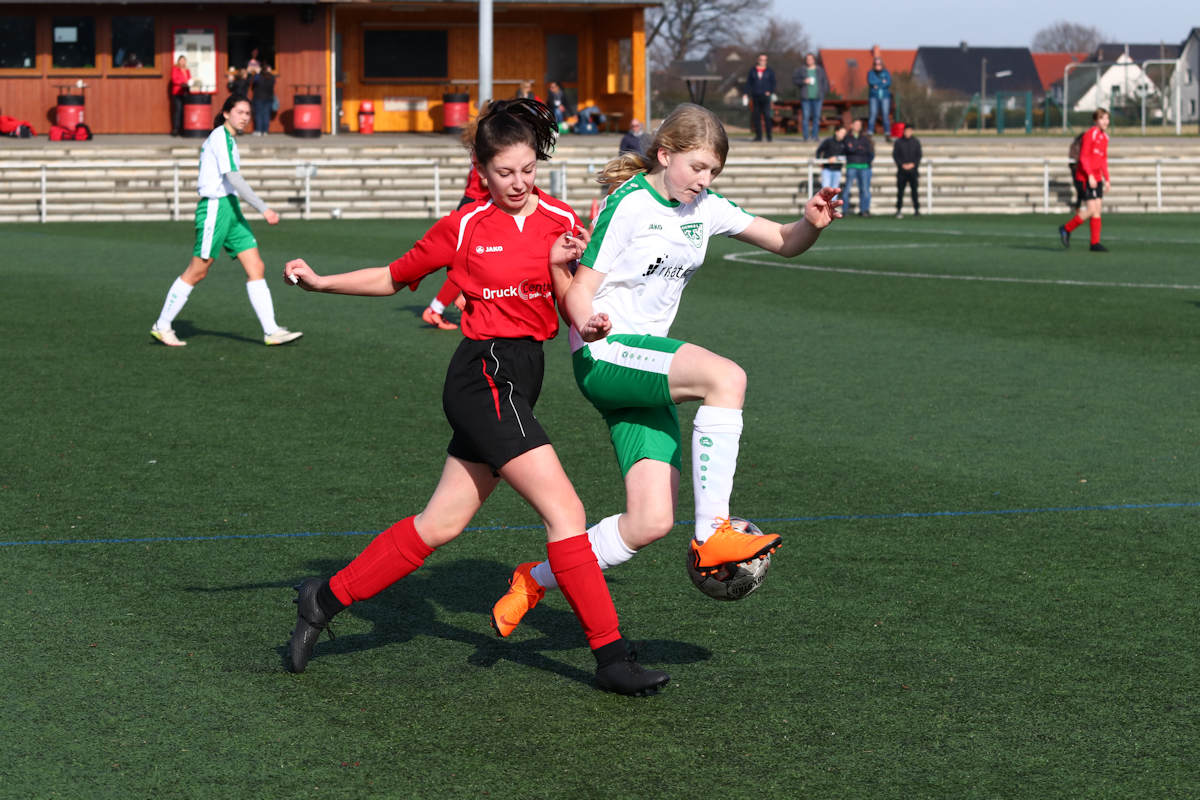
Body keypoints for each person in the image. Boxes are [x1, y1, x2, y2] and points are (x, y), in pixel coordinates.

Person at [282, 98, 669, 697]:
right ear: (481, 170)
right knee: (565, 514)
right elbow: (392, 276)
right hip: (482, 375)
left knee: (440, 524)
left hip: (524, 375)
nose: (518, 183)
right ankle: (612, 657)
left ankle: (323, 597)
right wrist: (321, 281)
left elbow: (572, 299)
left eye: (528, 169)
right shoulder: (463, 227)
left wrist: (589, 321)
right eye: (505, 172)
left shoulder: (562, 221)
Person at [490, 103, 843, 640]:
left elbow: (785, 242)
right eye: (697, 167)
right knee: (727, 378)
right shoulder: (629, 204)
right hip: (606, 354)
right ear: (665, 154)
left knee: (650, 521)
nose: (704, 181)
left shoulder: (706, 207)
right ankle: (713, 533)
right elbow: (581, 287)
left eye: (713, 173)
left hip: (645, 364)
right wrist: (587, 325)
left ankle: (534, 580)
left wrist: (811, 224)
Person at [149, 95, 302, 347]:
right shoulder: (220, 136)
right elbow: (233, 177)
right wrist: (263, 208)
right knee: (198, 270)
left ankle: (271, 330)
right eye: (240, 112)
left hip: (230, 208)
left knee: (256, 267)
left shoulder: (228, 139)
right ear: (226, 113)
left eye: (248, 114)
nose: (244, 117)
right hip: (215, 208)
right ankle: (162, 325)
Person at [421, 160, 490, 331]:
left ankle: (457, 300)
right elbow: (484, 180)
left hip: (476, 205)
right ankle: (436, 309)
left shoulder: (485, 140)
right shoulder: (489, 142)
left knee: (477, 261)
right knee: (469, 263)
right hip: (476, 205)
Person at [1058, 108, 1110, 252]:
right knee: (1091, 209)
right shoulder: (1090, 134)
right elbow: (1083, 157)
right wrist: (1090, 175)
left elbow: (1103, 159)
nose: (1106, 121)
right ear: (1096, 121)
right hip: (1086, 177)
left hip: (1097, 178)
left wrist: (1107, 178)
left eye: (1107, 118)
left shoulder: (1105, 137)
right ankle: (1066, 229)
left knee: (1097, 210)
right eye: (1102, 118)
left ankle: (1094, 243)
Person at [792, 53, 828, 142]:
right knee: (806, 117)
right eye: (807, 59)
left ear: (814, 60)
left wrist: (823, 92)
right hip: (806, 97)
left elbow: (825, 82)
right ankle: (806, 137)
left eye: (810, 59)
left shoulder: (820, 70)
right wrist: (803, 81)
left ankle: (815, 136)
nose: (809, 60)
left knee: (816, 117)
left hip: (818, 97)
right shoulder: (801, 70)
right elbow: (795, 80)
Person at [843, 117, 874, 216]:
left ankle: (864, 210)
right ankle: (845, 210)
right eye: (855, 124)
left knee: (865, 189)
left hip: (864, 166)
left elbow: (868, 151)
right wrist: (859, 148)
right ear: (852, 125)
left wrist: (855, 148)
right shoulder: (847, 137)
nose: (857, 127)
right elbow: (849, 149)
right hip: (851, 165)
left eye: (859, 125)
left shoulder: (865, 138)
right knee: (847, 188)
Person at [743, 53, 776, 142]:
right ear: (758, 60)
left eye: (764, 60)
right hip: (755, 96)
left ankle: (769, 136)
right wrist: (746, 93)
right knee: (756, 117)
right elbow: (749, 83)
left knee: (767, 117)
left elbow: (773, 83)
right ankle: (758, 136)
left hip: (766, 97)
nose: (763, 61)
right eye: (761, 59)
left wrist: (770, 91)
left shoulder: (769, 71)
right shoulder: (753, 71)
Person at [892, 124, 921, 218]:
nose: (908, 133)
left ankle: (916, 209)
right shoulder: (898, 142)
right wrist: (902, 165)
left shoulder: (916, 142)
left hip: (913, 171)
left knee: (914, 191)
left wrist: (913, 164)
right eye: (906, 131)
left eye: (909, 131)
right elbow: (895, 155)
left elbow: (919, 155)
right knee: (900, 192)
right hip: (902, 171)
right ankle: (898, 210)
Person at [866, 56, 893, 141]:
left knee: (885, 114)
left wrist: (878, 85)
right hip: (874, 96)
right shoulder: (870, 73)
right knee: (873, 114)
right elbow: (871, 82)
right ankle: (870, 132)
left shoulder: (886, 72)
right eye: (876, 64)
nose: (878, 65)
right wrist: (882, 82)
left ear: (882, 64)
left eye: (879, 64)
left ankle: (887, 133)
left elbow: (888, 82)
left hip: (885, 96)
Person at [816, 123, 848, 191]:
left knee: (834, 191)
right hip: (827, 169)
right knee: (826, 190)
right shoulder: (828, 141)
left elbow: (847, 156)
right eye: (842, 133)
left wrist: (836, 158)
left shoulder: (845, 143)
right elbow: (819, 150)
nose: (843, 135)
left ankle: (832, 202)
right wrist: (819, 161)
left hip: (837, 170)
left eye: (844, 133)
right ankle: (825, 202)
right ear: (836, 132)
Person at [249, 63, 275, 136]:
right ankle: (265, 131)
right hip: (269, 98)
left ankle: (258, 131)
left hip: (258, 98)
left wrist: (257, 73)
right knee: (266, 115)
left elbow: (253, 83)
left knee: (258, 115)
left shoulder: (259, 77)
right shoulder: (272, 77)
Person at [169, 55, 191, 136]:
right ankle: (175, 129)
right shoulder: (175, 69)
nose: (182, 62)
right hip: (177, 92)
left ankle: (183, 129)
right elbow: (174, 79)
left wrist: (189, 83)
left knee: (184, 111)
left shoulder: (187, 70)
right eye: (181, 60)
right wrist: (183, 83)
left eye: (184, 60)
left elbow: (189, 79)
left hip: (185, 92)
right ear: (178, 61)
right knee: (178, 111)